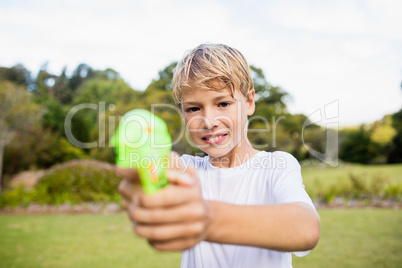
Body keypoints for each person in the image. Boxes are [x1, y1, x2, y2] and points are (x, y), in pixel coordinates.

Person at [116, 43, 320, 268]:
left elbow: (306, 229)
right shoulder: (186, 170)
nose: (209, 122)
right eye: (193, 109)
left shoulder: (277, 165)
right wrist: (144, 182)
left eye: (223, 103)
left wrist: (206, 219)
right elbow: (159, 170)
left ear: (249, 101)